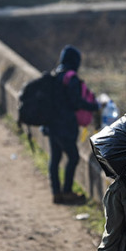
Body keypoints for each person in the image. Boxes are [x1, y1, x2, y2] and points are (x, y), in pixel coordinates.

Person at [43, 45, 99, 205]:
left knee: (55, 159)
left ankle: (56, 193)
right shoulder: (70, 77)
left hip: (52, 124)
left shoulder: (55, 75)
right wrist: (94, 106)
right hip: (65, 125)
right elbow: (75, 102)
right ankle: (67, 192)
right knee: (73, 157)